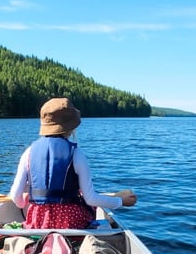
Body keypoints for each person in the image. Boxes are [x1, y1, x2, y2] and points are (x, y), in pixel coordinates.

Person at [9, 97, 136, 229]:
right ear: (71, 127)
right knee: (90, 210)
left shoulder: (28, 153)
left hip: (38, 223)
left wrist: (24, 200)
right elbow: (91, 198)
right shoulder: (76, 154)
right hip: (70, 223)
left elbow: (15, 196)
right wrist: (121, 201)